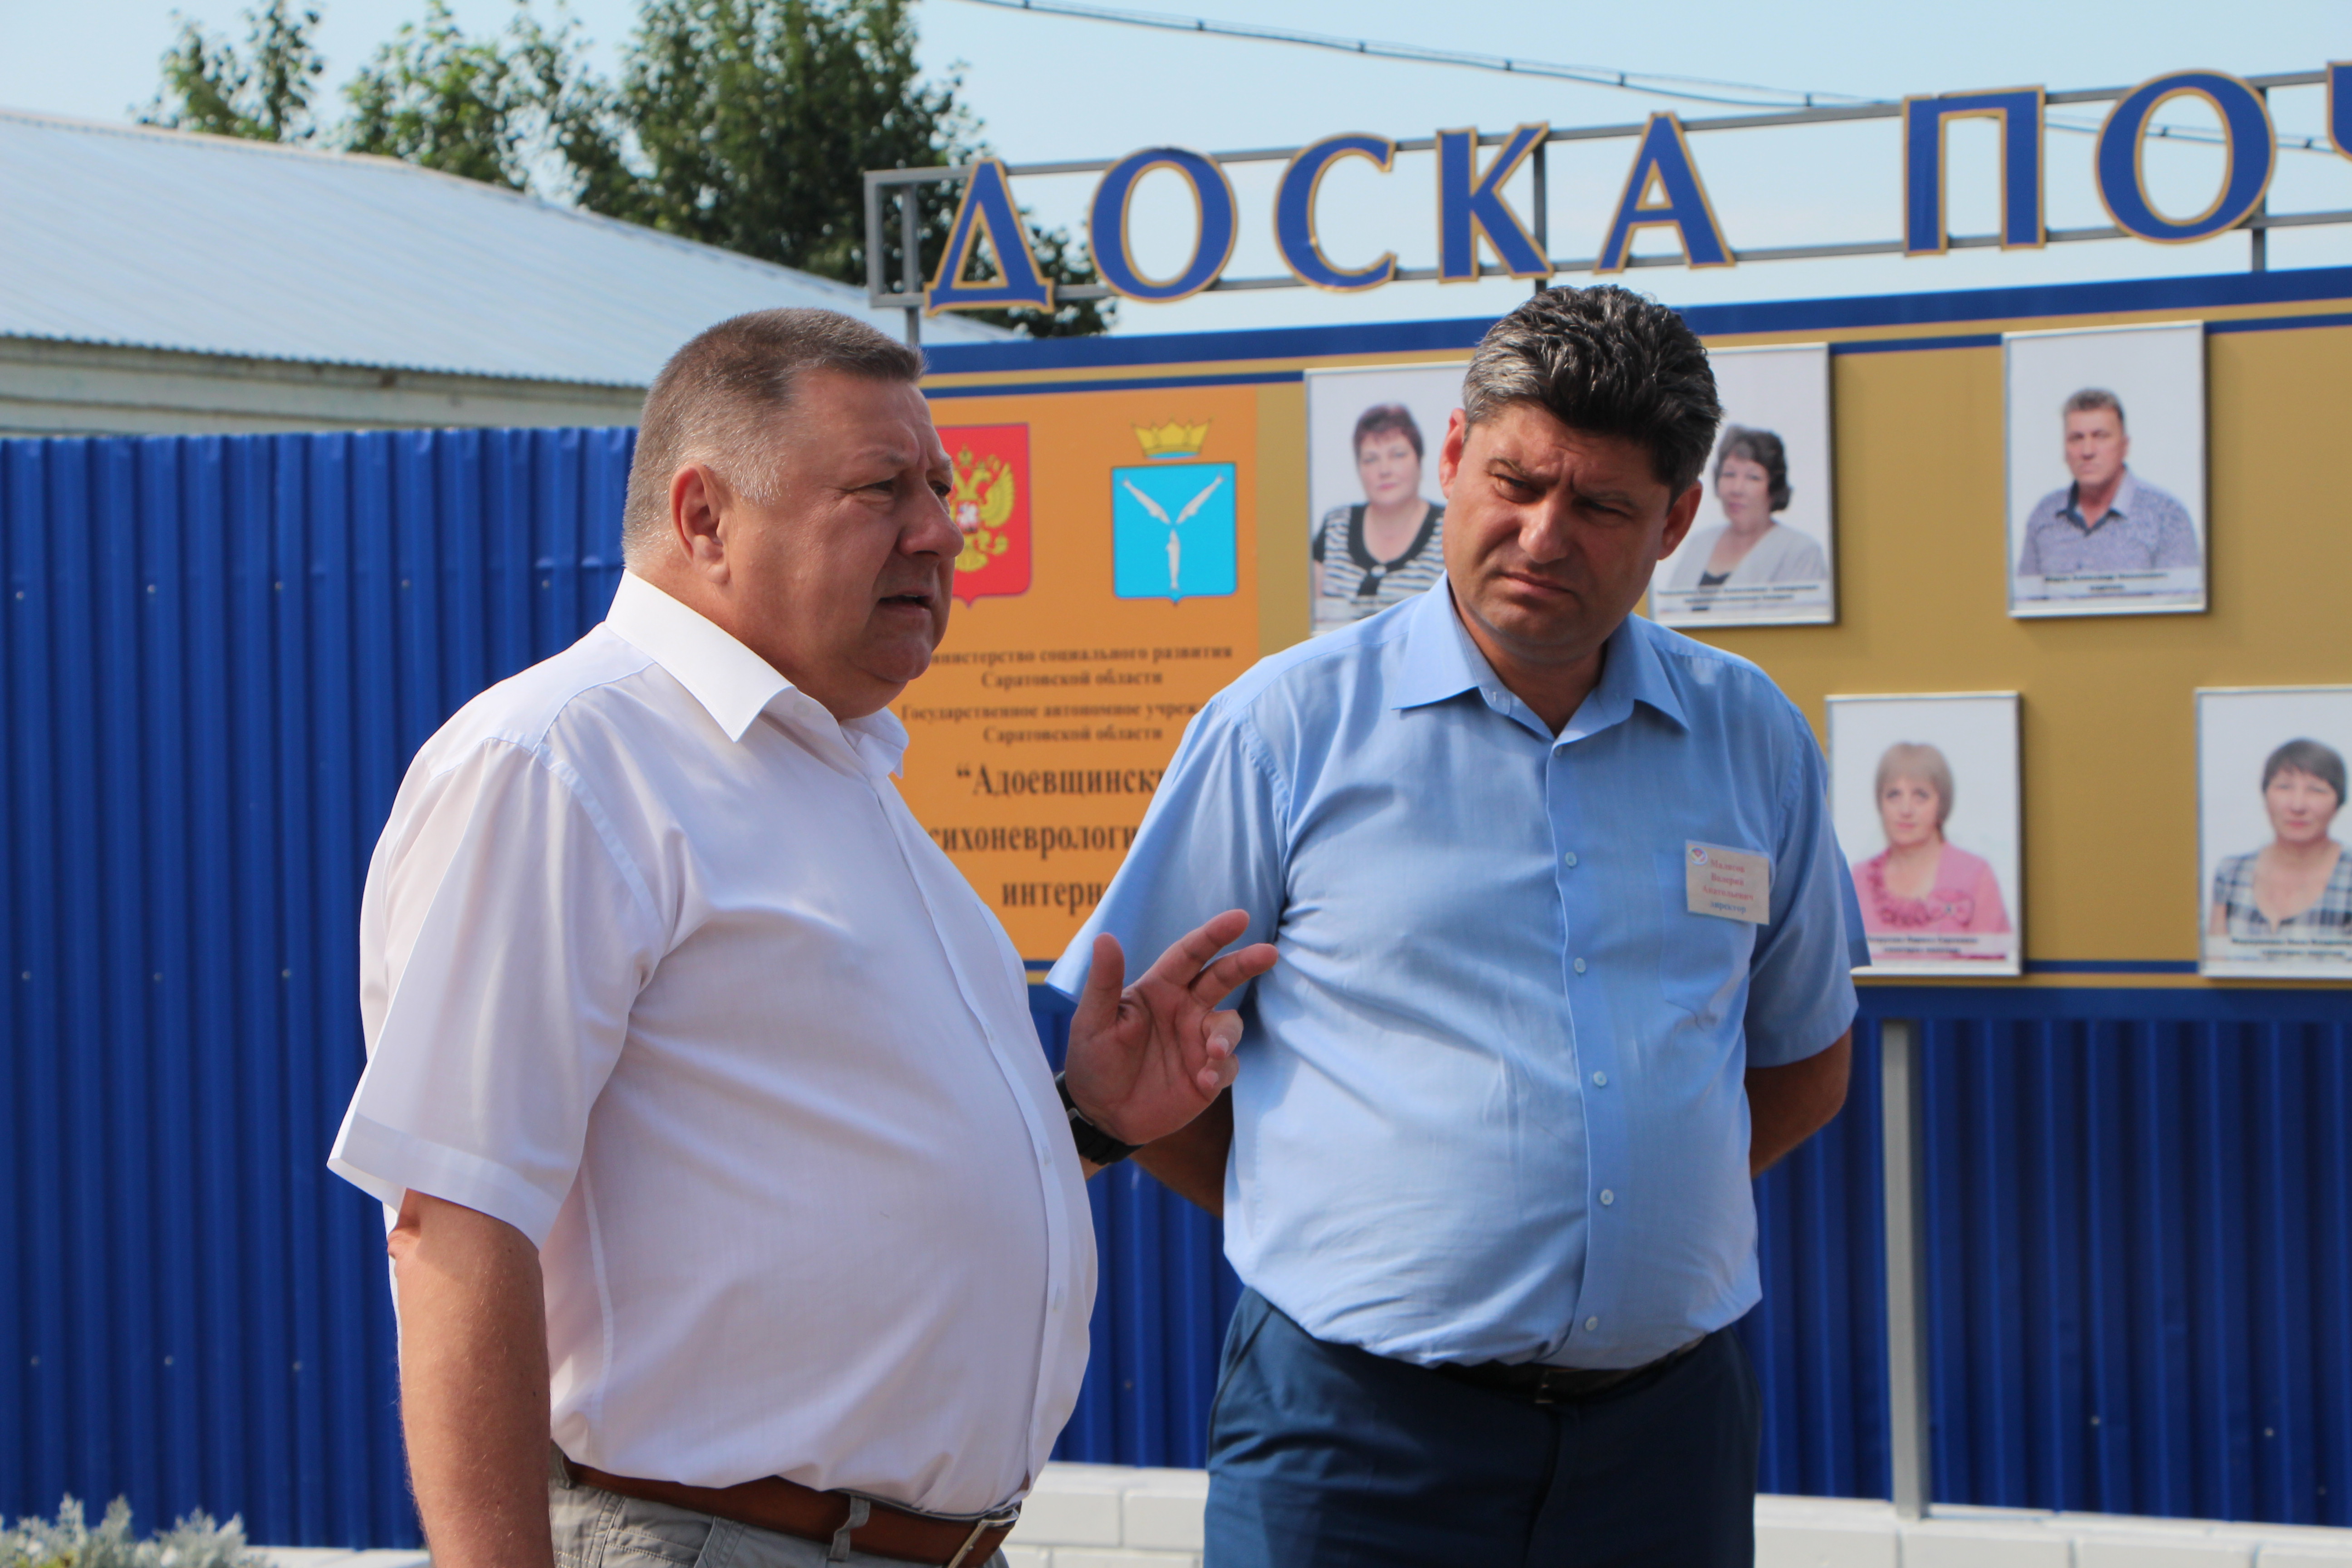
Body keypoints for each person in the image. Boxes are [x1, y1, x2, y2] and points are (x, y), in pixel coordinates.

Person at [327, 309, 1275, 1568]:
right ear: (705, 517)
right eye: (883, 489)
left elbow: (807, 1175)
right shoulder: (562, 763)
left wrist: (1087, 1121)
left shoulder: (836, 771)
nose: (943, 529)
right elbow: (454, 1221)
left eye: (939, 487)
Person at [1049, 285, 1867, 1568]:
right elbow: (1145, 1062)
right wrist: (1338, 1218)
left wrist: (1612, 1209)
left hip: (1662, 1441)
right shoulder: (1284, 732)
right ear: (1449, 457)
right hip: (1352, 1436)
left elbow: (1804, 1059)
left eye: (1599, 506)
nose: (1544, 535)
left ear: (1675, 522)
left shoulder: (1750, 735)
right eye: (1515, 482)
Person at [2014, 388, 2198, 581]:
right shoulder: (2044, 516)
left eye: (2100, 436)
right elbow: (2027, 596)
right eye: (2076, 438)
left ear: (2124, 446)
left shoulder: (2168, 518)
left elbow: (2178, 598)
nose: (2087, 451)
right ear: (2065, 450)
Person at [1850, 741, 2011, 958]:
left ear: (1942, 804)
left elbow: (1995, 970)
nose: (1905, 810)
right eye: (1894, 795)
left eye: (1921, 796)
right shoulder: (1856, 880)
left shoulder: (1977, 876)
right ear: (1880, 803)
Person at [1310, 402, 1446, 632]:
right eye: (1371, 459)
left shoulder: (1448, 529)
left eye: (1398, 455)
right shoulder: (1335, 526)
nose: (1385, 470)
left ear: (1420, 460)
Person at [2209, 738, 2352, 941]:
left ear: (2339, 803)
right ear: (2265, 796)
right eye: (2284, 787)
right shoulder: (2231, 873)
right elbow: (2217, 957)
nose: (2297, 806)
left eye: (2316, 790)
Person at [1662, 425, 1827, 601]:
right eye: (1729, 474)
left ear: (1774, 487)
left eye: (1753, 477)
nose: (1737, 489)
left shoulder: (1802, 552)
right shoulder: (1699, 543)